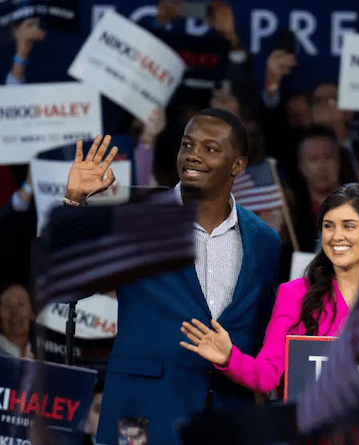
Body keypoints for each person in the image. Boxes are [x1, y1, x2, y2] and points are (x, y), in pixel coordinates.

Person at [64, 108, 282, 445]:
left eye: (210, 148)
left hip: (228, 418)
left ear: (238, 165)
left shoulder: (266, 242)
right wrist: (74, 201)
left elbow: (260, 335)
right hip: (143, 414)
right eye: (187, 145)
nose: (193, 154)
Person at [179, 183, 359, 394]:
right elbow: (267, 375)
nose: (336, 236)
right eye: (329, 226)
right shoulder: (296, 295)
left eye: (349, 226)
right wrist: (229, 357)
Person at [0, 282, 34, 358]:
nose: (14, 312)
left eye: (20, 304)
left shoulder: (44, 353)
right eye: (8, 306)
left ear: (32, 312)